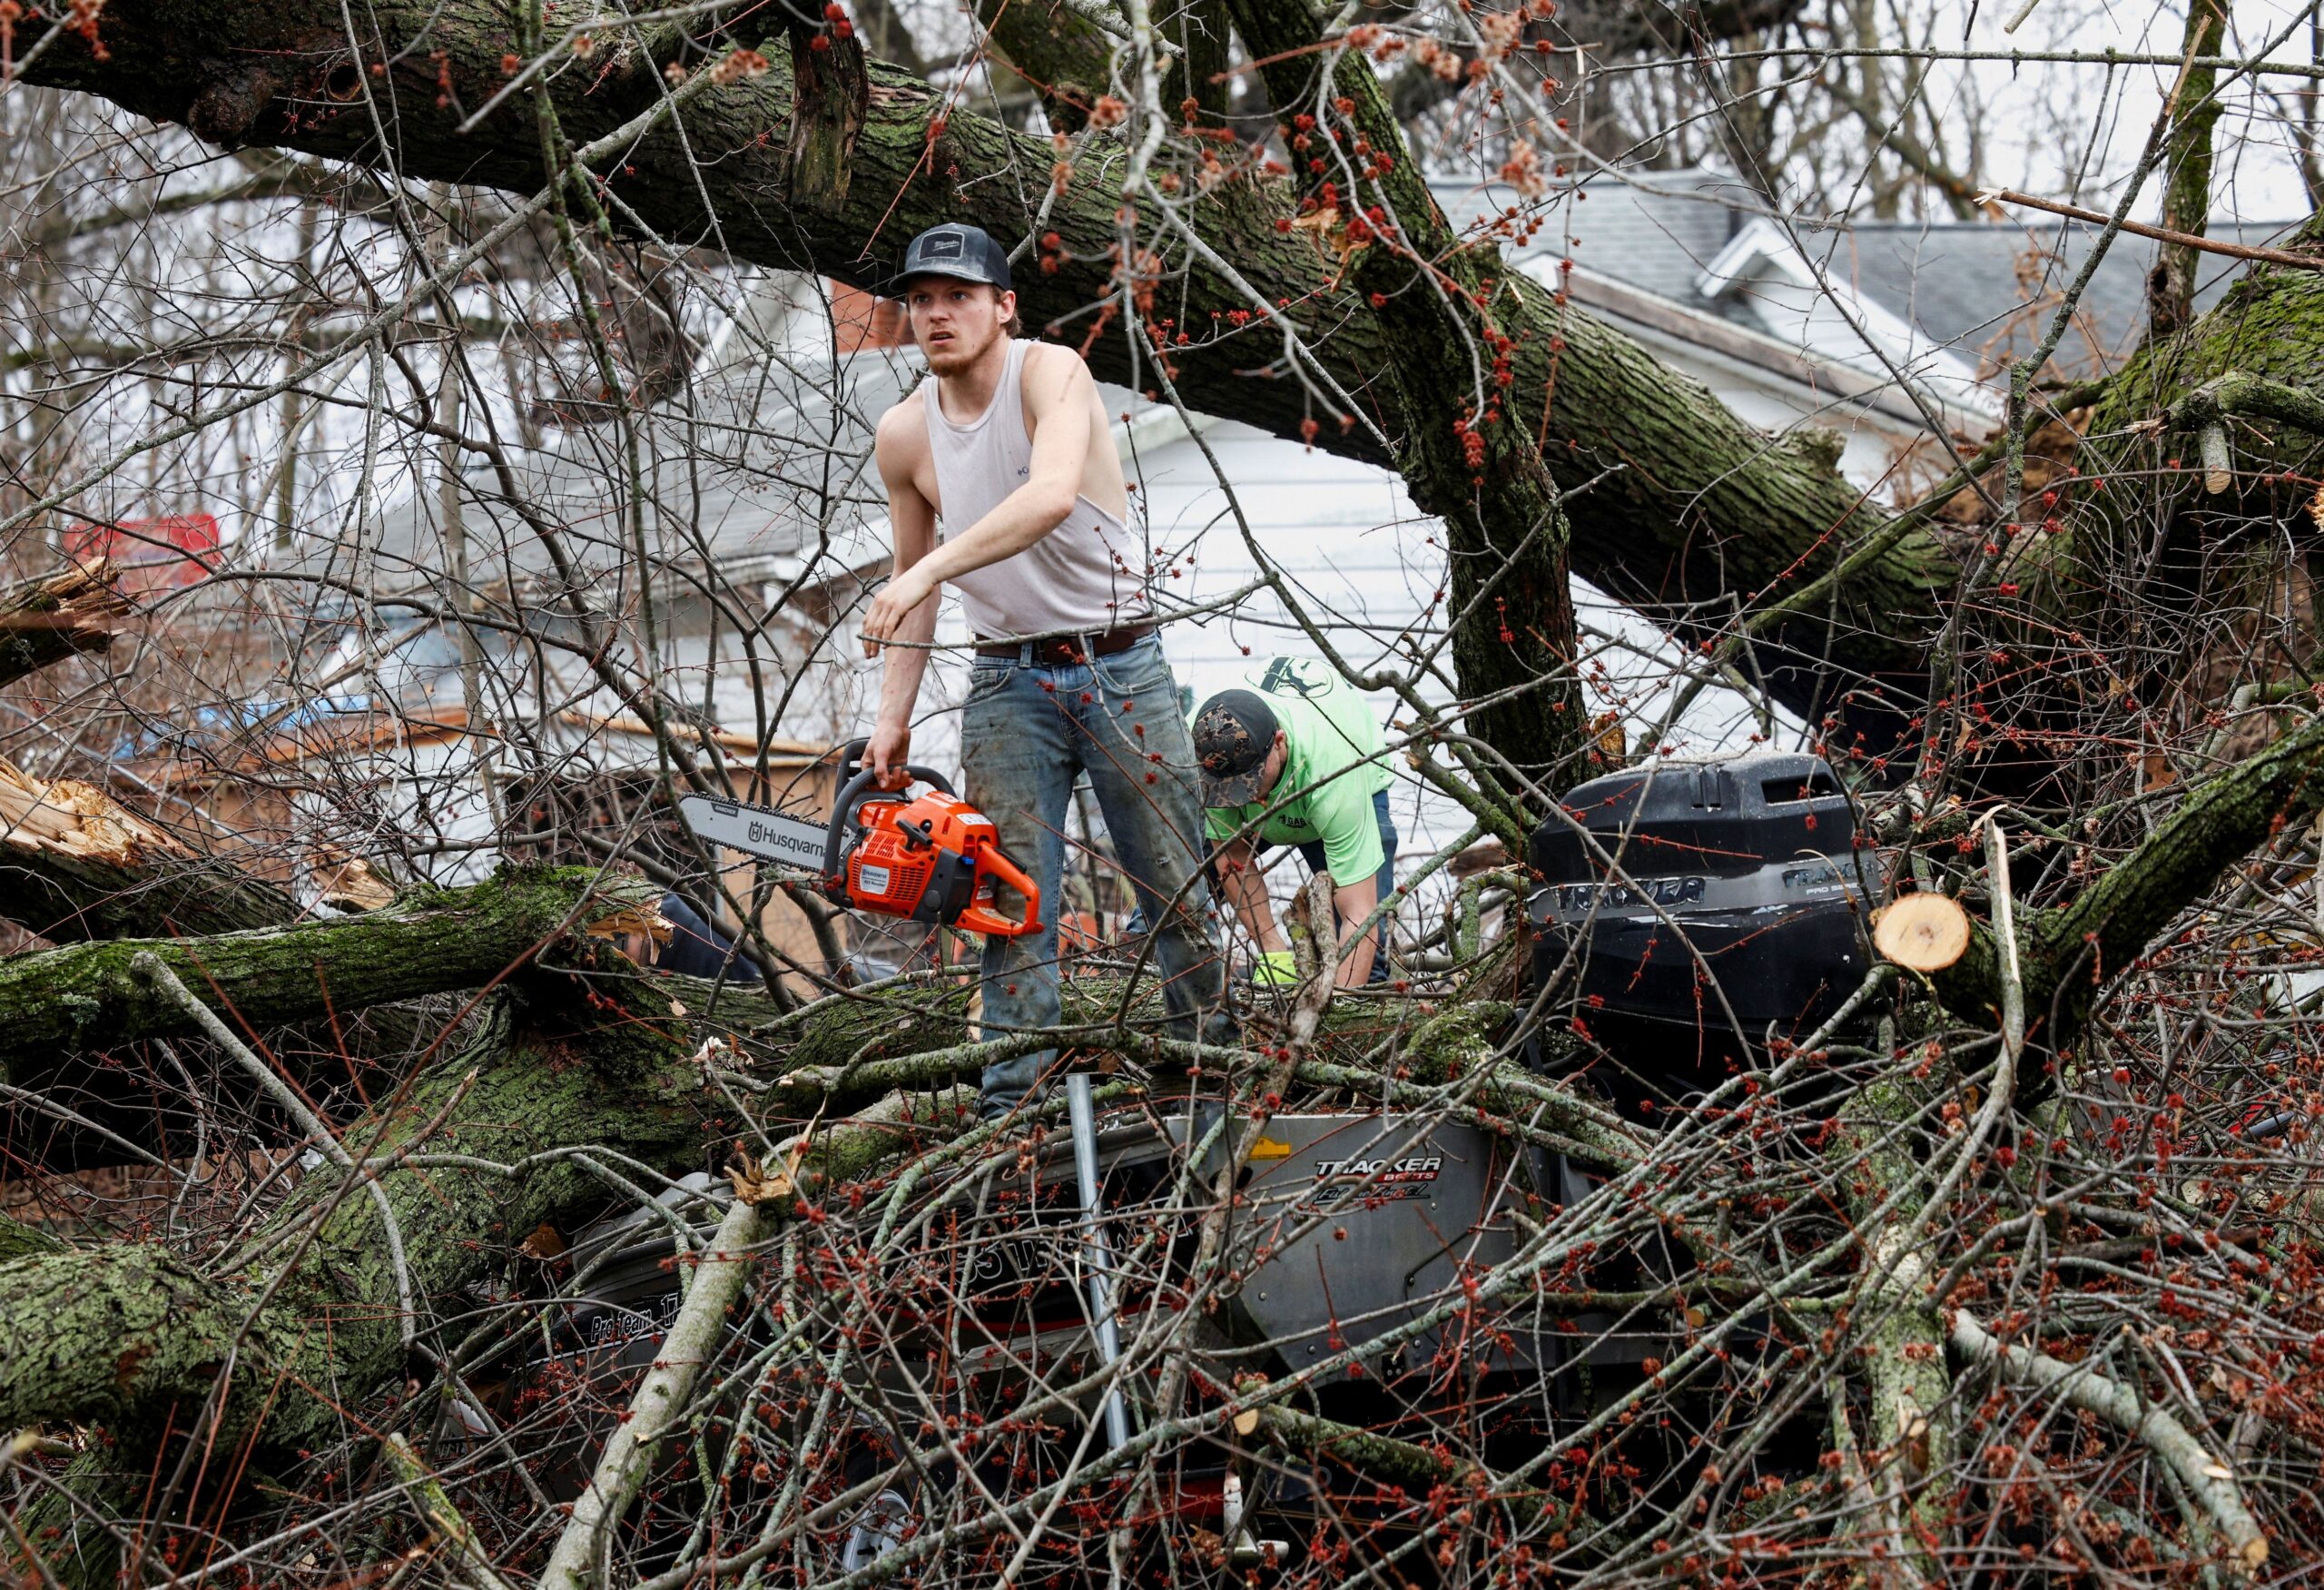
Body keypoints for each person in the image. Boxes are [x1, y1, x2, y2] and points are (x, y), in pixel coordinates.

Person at [857, 222, 1230, 1119]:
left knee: (1172, 887)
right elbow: (916, 596)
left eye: (958, 297)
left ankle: (1211, 1078)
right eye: (921, 301)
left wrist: (929, 567)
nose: (937, 315)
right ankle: (1012, 1114)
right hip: (1003, 684)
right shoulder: (903, 434)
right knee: (1008, 906)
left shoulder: (1048, 374)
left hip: (1119, 665)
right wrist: (891, 715)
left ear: (1002, 306)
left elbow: (1049, 494)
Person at [1192, 657, 1398, 987]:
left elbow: (1359, 916)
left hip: (1339, 782)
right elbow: (1232, 857)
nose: (1241, 797)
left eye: (1250, 782)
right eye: (1230, 788)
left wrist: (1337, 1016)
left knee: (1363, 956)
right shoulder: (1208, 752)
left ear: (1280, 741)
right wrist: (1271, 949)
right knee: (1179, 890)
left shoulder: (1334, 776)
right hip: (1275, 780)